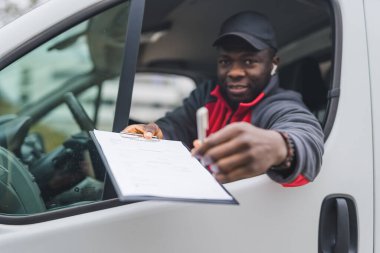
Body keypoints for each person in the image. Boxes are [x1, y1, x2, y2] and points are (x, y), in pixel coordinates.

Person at [123, 11, 324, 187]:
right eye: (225, 61)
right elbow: (177, 125)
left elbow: (306, 139)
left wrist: (280, 147)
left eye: (249, 61)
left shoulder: (281, 105)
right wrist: (155, 131)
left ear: (273, 63)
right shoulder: (207, 93)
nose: (235, 72)